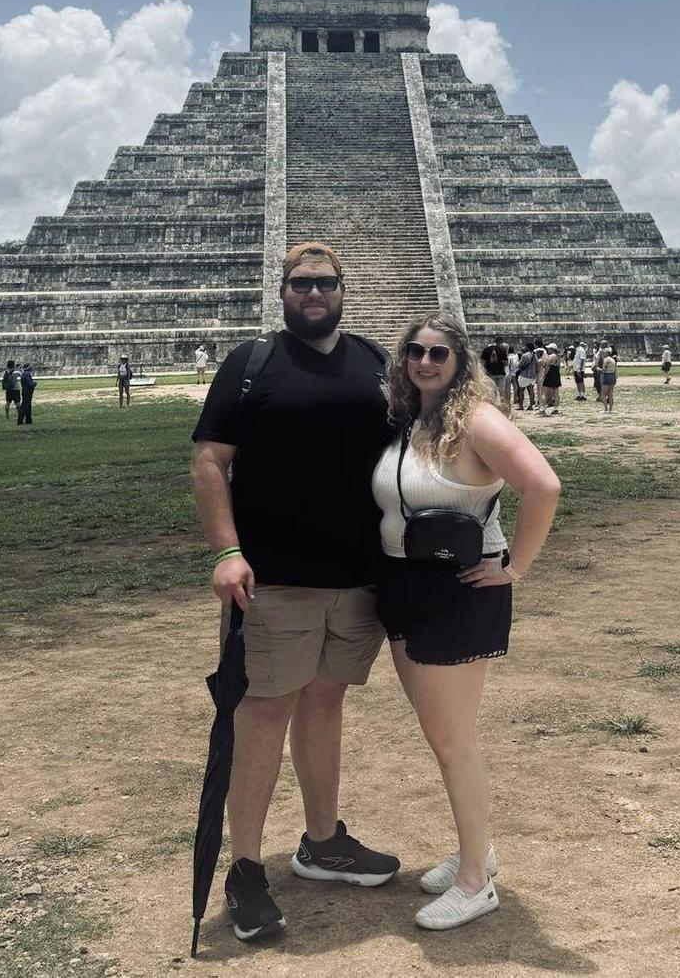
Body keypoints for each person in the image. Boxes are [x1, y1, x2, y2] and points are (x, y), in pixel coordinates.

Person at [190, 243, 398, 944]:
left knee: (325, 701)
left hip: (359, 577)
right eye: (300, 283)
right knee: (262, 714)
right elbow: (210, 461)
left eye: (324, 282)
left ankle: (321, 839)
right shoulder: (251, 365)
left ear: (344, 289)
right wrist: (226, 550)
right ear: (281, 291)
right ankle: (245, 867)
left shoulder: (377, 362)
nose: (313, 293)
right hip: (273, 578)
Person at [372, 314, 560, 930]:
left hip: (458, 589)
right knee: (443, 737)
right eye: (415, 353)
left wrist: (515, 566)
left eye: (438, 355)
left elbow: (544, 486)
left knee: (453, 742)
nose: (424, 363)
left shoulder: (478, 419)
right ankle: (474, 848)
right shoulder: (412, 419)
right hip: (403, 584)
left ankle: (478, 880)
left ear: (459, 363)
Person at [480, 337, 508, 404]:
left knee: (490, 391)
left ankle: (492, 405)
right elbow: (506, 363)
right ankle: (502, 406)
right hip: (500, 373)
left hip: (489, 373)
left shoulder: (486, 349)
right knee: (501, 391)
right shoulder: (502, 350)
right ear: (501, 342)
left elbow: (482, 362)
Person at [539, 343, 562, 416]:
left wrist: (544, 375)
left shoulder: (551, 356)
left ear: (552, 349)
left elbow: (547, 367)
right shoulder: (557, 357)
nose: (548, 349)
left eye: (549, 348)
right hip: (556, 374)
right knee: (556, 392)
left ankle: (542, 407)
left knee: (545, 392)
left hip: (550, 375)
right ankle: (556, 407)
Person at [515, 344, 536, 412]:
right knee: (531, 391)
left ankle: (521, 406)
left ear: (527, 347)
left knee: (521, 391)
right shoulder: (534, 355)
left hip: (524, 375)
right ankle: (531, 406)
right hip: (532, 375)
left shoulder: (524, 355)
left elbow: (520, 365)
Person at [599, 346, 618, 413]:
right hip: (613, 376)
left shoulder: (606, 359)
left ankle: (605, 409)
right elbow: (615, 370)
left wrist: (598, 369)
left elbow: (604, 369)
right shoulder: (613, 360)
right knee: (610, 394)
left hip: (607, 375)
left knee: (603, 394)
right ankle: (610, 410)